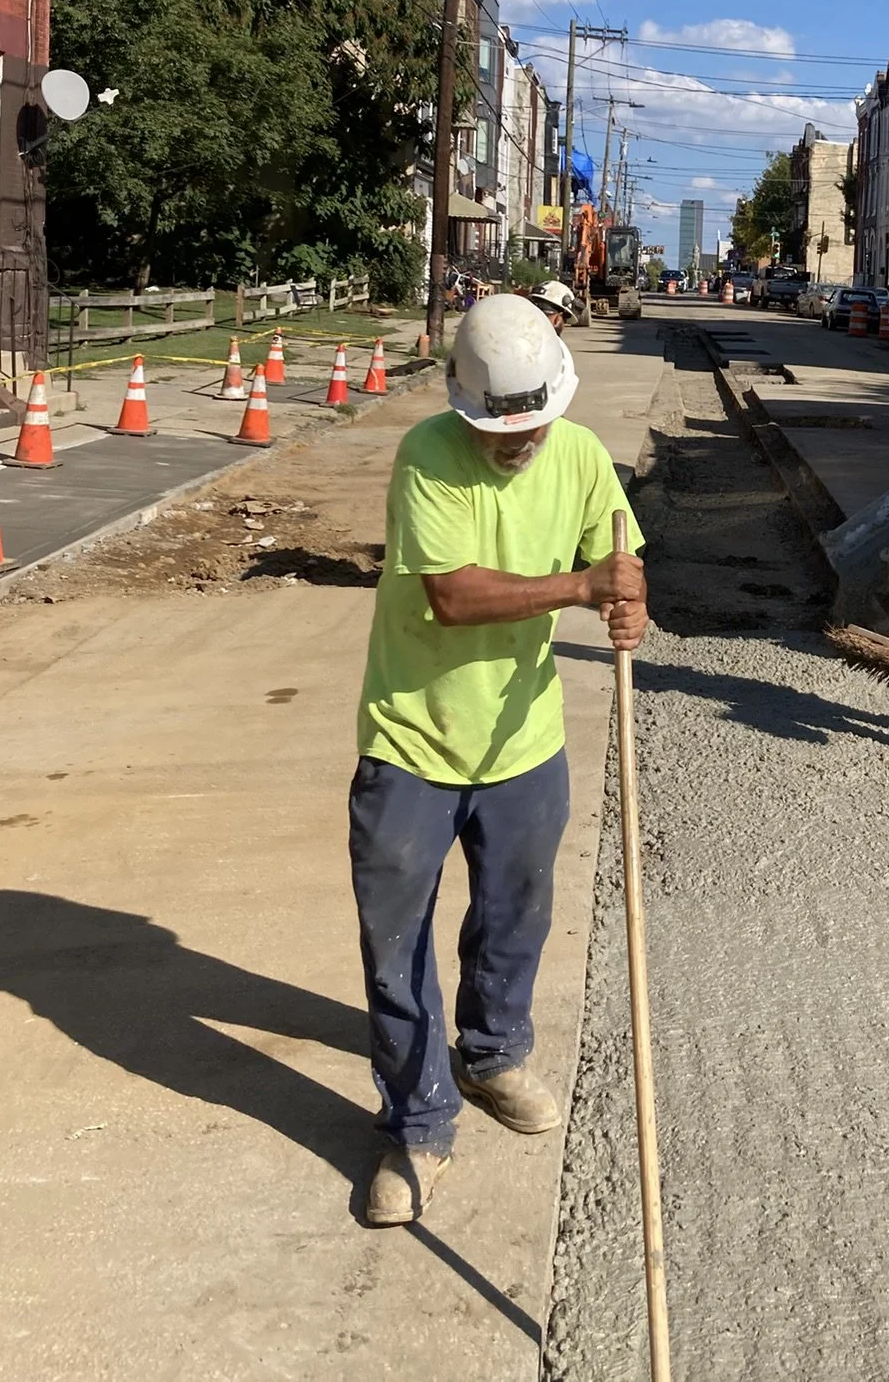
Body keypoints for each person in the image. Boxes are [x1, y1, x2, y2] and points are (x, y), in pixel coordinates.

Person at [350, 293, 648, 1227]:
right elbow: (453, 596)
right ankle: (420, 1122)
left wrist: (629, 592)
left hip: (523, 741)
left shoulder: (586, 456)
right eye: (499, 426)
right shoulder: (427, 457)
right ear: (463, 403)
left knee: (517, 912)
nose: (518, 440)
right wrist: (583, 586)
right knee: (396, 941)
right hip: (414, 736)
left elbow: (620, 550)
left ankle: (492, 1054)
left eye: (533, 423)